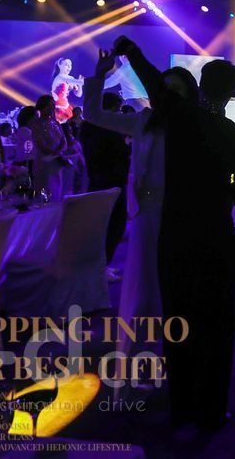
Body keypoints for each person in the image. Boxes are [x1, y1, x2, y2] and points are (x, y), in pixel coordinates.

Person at [115, 36, 235, 432]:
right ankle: (212, 410)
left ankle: (182, 408)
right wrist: (222, 187)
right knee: (216, 323)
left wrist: (133, 51)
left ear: (200, 85)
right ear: (233, 93)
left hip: (176, 231)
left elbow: (154, 83)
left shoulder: (180, 120)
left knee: (178, 322)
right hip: (216, 233)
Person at [87, 50, 198, 374]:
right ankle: (136, 360)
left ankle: (178, 360)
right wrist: (100, 74)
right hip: (147, 214)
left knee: (176, 288)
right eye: (164, 89)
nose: (169, 95)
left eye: (176, 90)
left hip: (182, 215)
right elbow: (93, 113)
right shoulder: (143, 121)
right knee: (141, 287)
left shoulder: (195, 125)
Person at [80, 90, 130, 280]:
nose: (119, 114)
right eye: (117, 109)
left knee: (102, 225)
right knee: (114, 225)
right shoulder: (107, 128)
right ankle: (101, 267)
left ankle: (101, 265)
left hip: (97, 179)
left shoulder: (87, 126)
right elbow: (119, 153)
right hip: (112, 180)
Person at [32, 94, 69, 201]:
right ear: (42, 107)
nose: (52, 108)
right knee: (44, 187)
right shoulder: (36, 124)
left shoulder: (55, 123)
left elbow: (63, 140)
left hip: (56, 160)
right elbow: (40, 144)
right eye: (49, 106)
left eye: (53, 105)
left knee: (57, 187)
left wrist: (58, 153)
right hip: (44, 160)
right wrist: (55, 153)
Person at [51, 57, 84, 123]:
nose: (69, 67)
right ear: (60, 65)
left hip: (66, 106)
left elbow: (78, 94)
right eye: (66, 65)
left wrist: (80, 85)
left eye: (70, 65)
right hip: (58, 107)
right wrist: (80, 82)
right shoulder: (60, 77)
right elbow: (79, 82)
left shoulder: (70, 78)